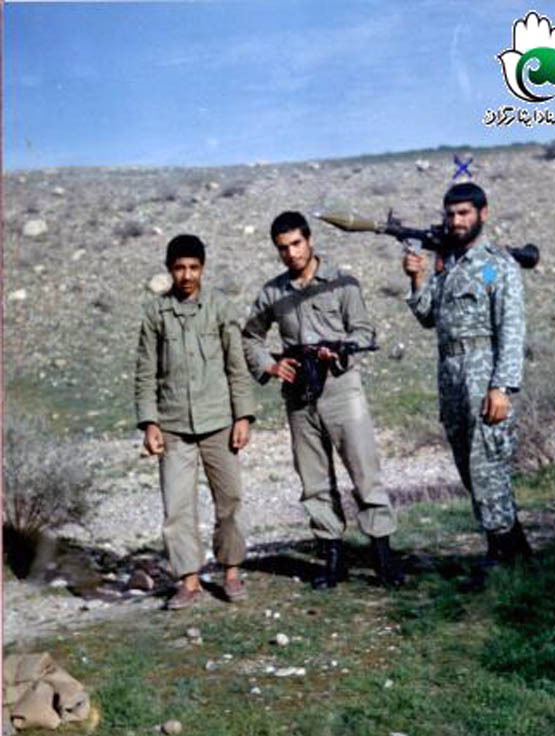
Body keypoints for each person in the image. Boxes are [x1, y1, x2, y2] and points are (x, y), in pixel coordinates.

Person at [242, 210, 402, 590]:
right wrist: (270, 366)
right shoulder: (273, 293)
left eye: (297, 243)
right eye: (283, 248)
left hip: (341, 388)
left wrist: (341, 351)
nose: (292, 253)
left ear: (310, 240)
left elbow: (363, 330)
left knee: (364, 472)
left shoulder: (342, 283)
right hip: (299, 393)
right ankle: (332, 560)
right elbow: (249, 336)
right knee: (313, 479)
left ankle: (383, 557)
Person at [402, 182, 532, 589]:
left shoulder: (495, 265)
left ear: (482, 214)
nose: (456, 221)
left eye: (464, 213)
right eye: (450, 214)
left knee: (487, 464)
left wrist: (502, 386)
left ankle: (502, 556)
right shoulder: (450, 265)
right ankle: (515, 551)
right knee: (469, 468)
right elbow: (428, 317)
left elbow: (511, 327)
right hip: (452, 378)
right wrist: (418, 278)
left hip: (483, 377)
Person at [135, 234, 255, 609]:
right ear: (169, 269)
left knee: (230, 500)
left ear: (203, 268)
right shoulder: (155, 314)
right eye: (179, 268)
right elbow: (145, 373)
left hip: (219, 422)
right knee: (177, 508)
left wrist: (243, 416)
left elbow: (237, 367)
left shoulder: (220, 308)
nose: (187, 275)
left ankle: (231, 573)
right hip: (173, 425)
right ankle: (189, 581)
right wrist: (149, 423)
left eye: (194, 267)